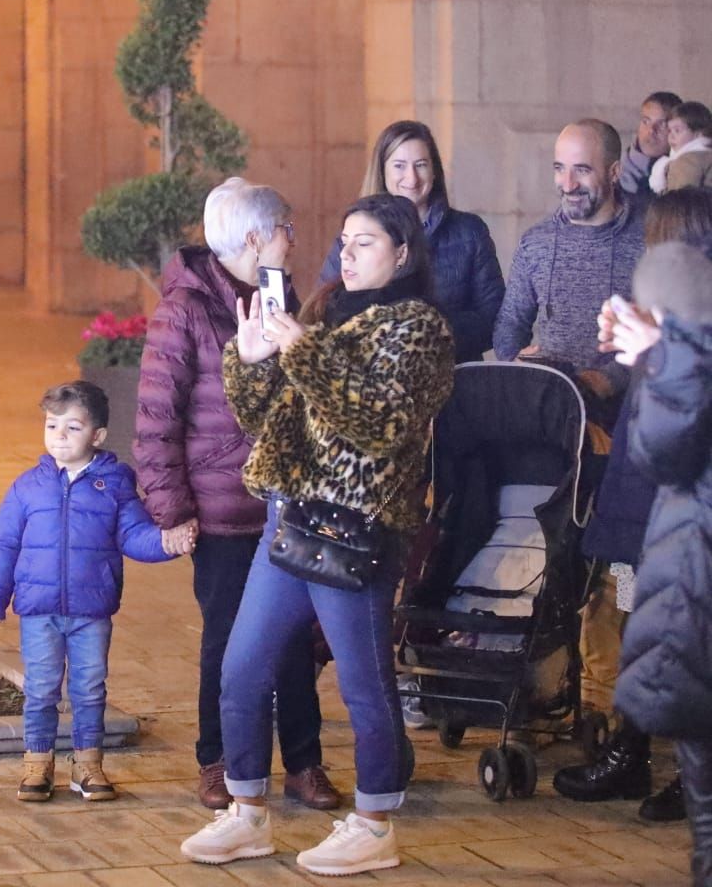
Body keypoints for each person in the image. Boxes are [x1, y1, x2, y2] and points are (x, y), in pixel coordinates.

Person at [179, 195, 454, 875]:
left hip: (355, 531)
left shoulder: (419, 330)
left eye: (365, 242)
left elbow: (375, 423)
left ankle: (374, 821)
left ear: (403, 252)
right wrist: (249, 360)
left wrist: (302, 351)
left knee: (365, 685)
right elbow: (265, 416)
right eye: (344, 238)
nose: (348, 252)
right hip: (291, 518)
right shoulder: (323, 313)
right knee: (242, 670)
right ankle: (246, 813)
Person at [133, 178, 337, 812]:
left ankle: (304, 763)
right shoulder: (186, 309)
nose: (294, 238)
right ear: (254, 238)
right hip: (222, 510)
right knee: (226, 639)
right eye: (285, 228)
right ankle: (216, 760)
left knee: (297, 638)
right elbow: (154, 419)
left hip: (285, 501)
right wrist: (172, 510)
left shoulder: (282, 297)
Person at [553, 189, 712, 819]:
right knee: (628, 621)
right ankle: (628, 752)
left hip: (676, 516)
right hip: (630, 511)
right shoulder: (660, 309)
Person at [0, 381, 178, 803]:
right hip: (38, 610)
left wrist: (167, 544)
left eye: (72, 427)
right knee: (42, 688)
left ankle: (88, 765)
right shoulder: (28, 487)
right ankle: (37, 763)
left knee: (89, 687)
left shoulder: (116, 485)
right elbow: (3, 545)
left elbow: (136, 536)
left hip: (91, 610)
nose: (60, 437)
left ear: (98, 436)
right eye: (52, 426)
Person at [605, 235, 712, 887]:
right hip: (630, 542)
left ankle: (628, 749)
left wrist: (659, 359)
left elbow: (665, 452)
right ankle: (626, 747)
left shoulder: (682, 360)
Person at [321, 120, 504, 363]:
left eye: (421, 165)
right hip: (370, 380)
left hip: (456, 377)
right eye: (399, 166)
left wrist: (424, 337)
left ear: (435, 170)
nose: (411, 177)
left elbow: (494, 316)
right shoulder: (354, 235)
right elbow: (324, 306)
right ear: (382, 170)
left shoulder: (468, 232)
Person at [493, 119, 647, 406]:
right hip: (546, 407)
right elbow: (510, 320)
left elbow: (662, 336)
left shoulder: (648, 241)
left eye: (582, 170)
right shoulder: (535, 242)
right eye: (559, 168)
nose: (568, 183)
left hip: (625, 413)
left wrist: (603, 381)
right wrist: (514, 361)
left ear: (614, 172)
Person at [620, 91, 682, 197]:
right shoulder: (611, 179)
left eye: (662, 124)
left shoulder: (691, 176)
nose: (651, 130)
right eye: (646, 121)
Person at [650, 100, 712, 193]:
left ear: (698, 134)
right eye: (670, 130)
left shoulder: (687, 161)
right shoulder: (706, 156)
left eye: (677, 130)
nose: (671, 136)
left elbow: (680, 202)